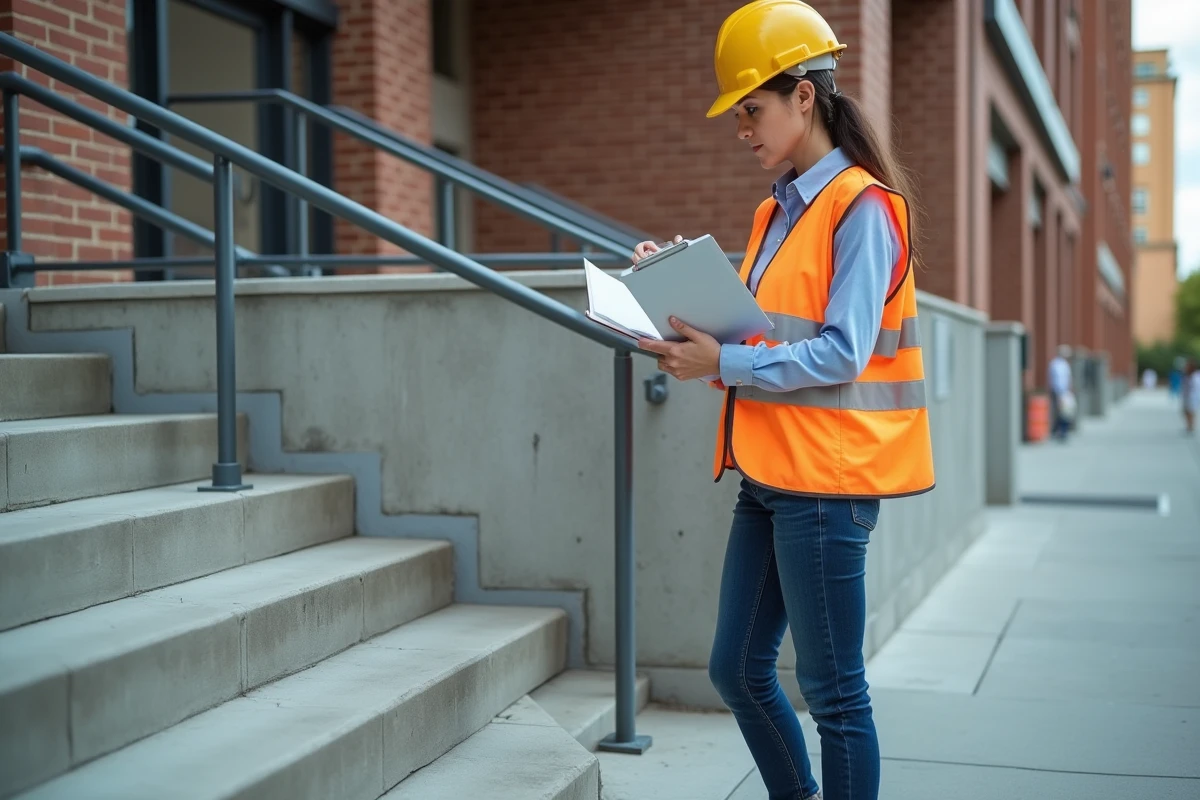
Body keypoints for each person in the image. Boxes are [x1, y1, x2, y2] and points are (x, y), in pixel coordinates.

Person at [635, 3, 934, 798]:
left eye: (752, 110)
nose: (743, 130)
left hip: (828, 487)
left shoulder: (865, 208)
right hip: (769, 472)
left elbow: (840, 351)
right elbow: (759, 330)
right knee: (736, 668)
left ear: (804, 96)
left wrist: (723, 363)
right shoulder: (777, 208)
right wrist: (668, 288)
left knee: (835, 697)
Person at [1048, 345, 1074, 441]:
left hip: (1065, 392)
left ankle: (1062, 431)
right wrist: (1058, 393)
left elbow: (1068, 379)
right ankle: (1059, 431)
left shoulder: (1065, 365)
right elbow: (1055, 381)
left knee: (1065, 411)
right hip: (1058, 391)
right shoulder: (1055, 364)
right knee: (1060, 412)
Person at [1184, 359, 1198, 434]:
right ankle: (1189, 425)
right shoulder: (1187, 375)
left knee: (1190, 411)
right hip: (1187, 396)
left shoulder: (1196, 376)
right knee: (1186, 411)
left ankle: (1191, 426)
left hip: (1192, 397)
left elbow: (1196, 388)